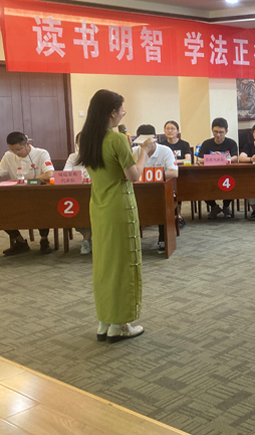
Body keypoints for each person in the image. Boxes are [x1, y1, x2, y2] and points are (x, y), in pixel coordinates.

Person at [77, 89, 152, 343]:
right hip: (120, 207)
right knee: (123, 263)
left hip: (98, 206)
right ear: (111, 113)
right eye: (121, 110)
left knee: (104, 263)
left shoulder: (86, 138)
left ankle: (105, 321)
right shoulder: (117, 139)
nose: (123, 114)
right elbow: (133, 175)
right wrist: (145, 152)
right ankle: (120, 324)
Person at [0, 131, 55, 255]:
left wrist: (27, 180)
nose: (16, 153)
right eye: (12, 150)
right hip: (16, 196)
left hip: (38, 195)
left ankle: (44, 239)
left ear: (27, 144)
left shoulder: (41, 153)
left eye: (19, 149)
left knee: (42, 209)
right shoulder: (8, 156)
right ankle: (19, 241)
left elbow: (49, 174)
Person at [132, 124, 179, 253]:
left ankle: (163, 238)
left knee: (161, 205)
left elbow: (174, 172)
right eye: (141, 142)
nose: (144, 146)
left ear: (155, 139)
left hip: (161, 191)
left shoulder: (165, 151)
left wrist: (154, 174)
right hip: (140, 192)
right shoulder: (134, 152)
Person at [197, 117, 238, 220]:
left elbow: (235, 157)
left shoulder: (231, 143)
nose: (218, 135)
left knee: (233, 184)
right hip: (209, 174)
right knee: (202, 187)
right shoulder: (207, 143)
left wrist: (223, 157)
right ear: (212, 130)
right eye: (215, 132)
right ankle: (214, 207)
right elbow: (199, 159)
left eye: (221, 132)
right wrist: (212, 157)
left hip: (227, 173)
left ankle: (226, 206)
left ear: (226, 131)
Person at [64, 132, 93, 255]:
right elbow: (66, 174)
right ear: (77, 144)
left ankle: (86, 240)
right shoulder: (73, 157)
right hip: (77, 193)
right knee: (75, 212)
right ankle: (88, 238)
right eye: (81, 142)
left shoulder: (100, 156)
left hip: (96, 192)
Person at [160, 120, 190, 229]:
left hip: (181, 174)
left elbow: (188, 160)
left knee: (179, 189)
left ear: (178, 131)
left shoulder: (184, 144)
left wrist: (173, 162)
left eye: (172, 128)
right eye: (167, 128)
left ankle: (179, 215)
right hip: (166, 174)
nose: (170, 131)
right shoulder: (162, 146)